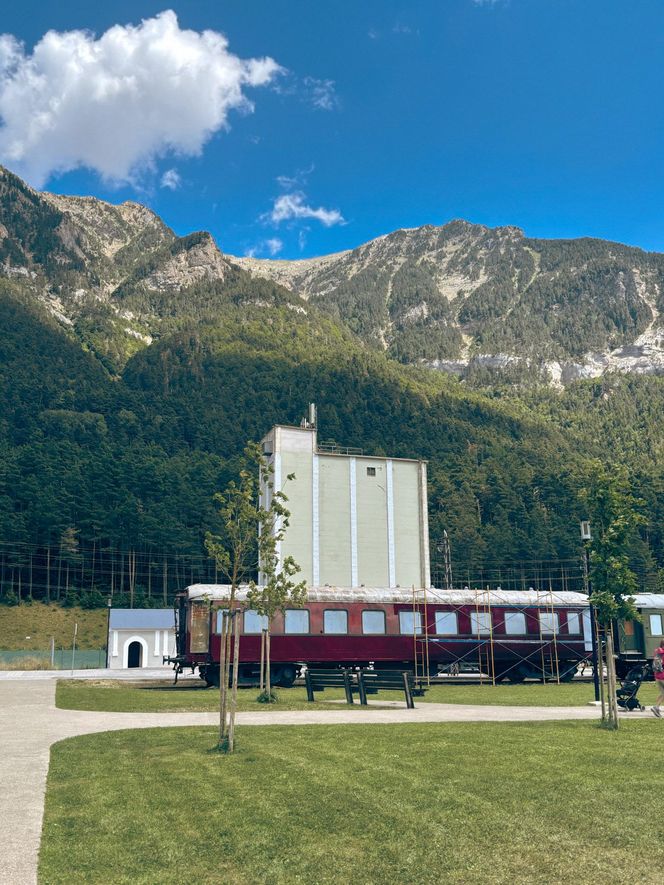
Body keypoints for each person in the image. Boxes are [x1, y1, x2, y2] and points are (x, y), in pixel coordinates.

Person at [651, 642, 664, 717]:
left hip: (657, 676)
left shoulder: (657, 652)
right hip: (663, 676)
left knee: (662, 693)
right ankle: (656, 707)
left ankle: (656, 707)